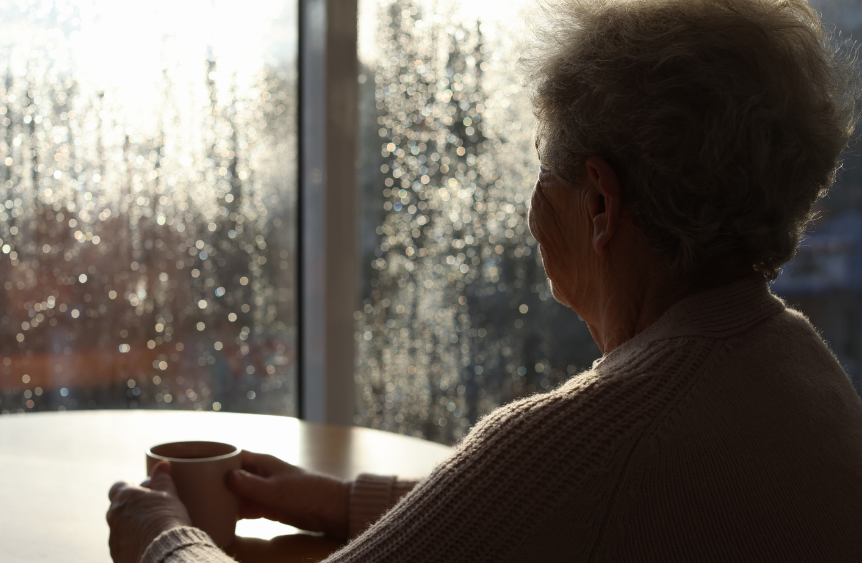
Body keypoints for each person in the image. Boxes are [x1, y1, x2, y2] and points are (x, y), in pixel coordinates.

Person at [107, 0, 862, 560]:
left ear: (600, 203)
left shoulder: (599, 430)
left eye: (543, 167)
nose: (532, 205)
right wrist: (345, 502)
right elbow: (567, 516)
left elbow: (578, 478)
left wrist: (162, 538)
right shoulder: (807, 373)